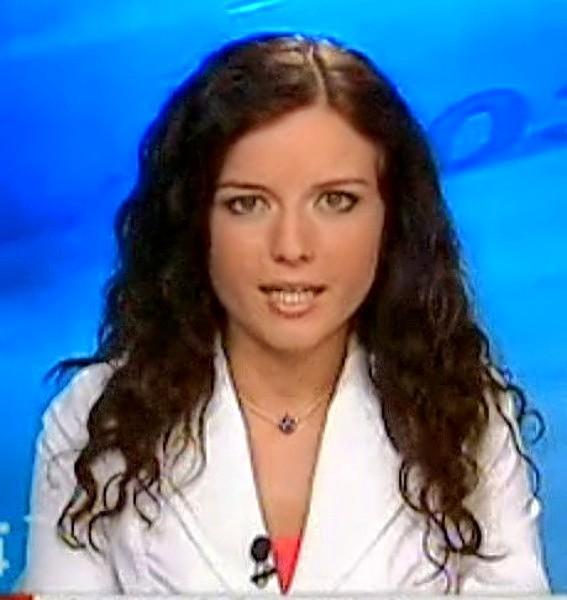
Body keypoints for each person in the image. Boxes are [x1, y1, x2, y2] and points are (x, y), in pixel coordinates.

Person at [17, 31, 550, 595]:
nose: (292, 247)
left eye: (336, 201)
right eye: (247, 203)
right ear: (194, 221)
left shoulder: (464, 412)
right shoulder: (98, 419)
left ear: (392, 220)